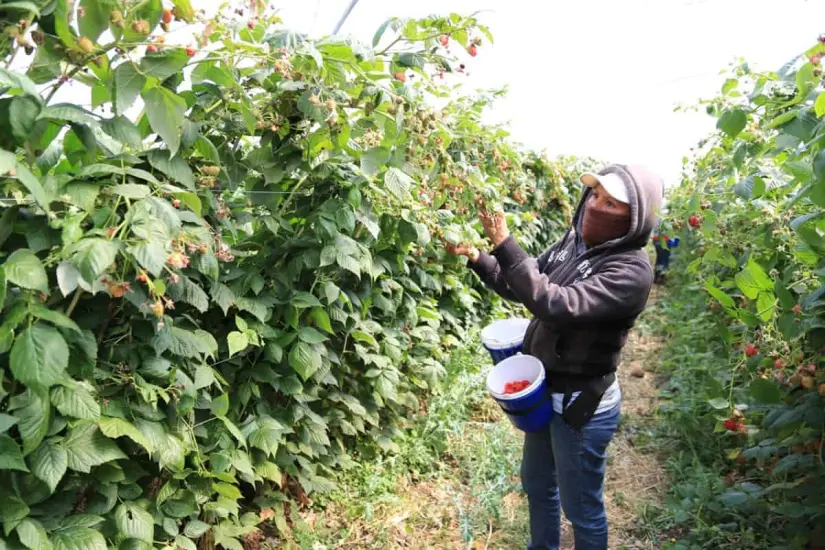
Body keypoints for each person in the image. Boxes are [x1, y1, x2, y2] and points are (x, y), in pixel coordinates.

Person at [447, 164, 663, 550]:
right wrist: (478, 255)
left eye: (612, 203)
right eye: (595, 195)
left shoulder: (631, 271)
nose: (596, 206)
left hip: (582, 405)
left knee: (581, 508)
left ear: (636, 219)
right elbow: (522, 285)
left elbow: (556, 305)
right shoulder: (573, 242)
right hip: (547, 389)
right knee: (537, 484)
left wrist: (505, 242)